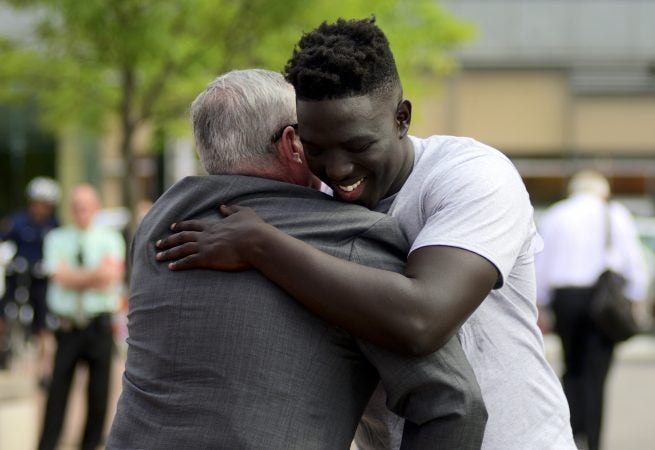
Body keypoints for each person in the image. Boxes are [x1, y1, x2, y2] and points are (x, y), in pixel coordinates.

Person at [156, 18, 576, 449]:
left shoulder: (472, 176)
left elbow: (422, 320)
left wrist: (260, 244)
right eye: (317, 149)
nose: (338, 170)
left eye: (358, 147)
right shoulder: (314, 202)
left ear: (401, 118)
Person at [108, 69, 485, 450]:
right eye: (314, 137)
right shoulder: (348, 235)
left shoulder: (157, 226)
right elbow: (453, 402)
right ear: (293, 142)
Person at [535, 170, 649, 450]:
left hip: (565, 299)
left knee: (571, 368)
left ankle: (569, 436)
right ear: (603, 191)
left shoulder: (556, 214)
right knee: (596, 374)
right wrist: (635, 299)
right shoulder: (613, 213)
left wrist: (541, 303)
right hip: (602, 302)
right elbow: (634, 262)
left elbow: (541, 263)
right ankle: (594, 441)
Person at [38, 184, 125, 450]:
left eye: (85, 205)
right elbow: (58, 276)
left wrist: (72, 277)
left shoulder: (111, 239)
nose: (80, 210)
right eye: (76, 205)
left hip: (98, 326)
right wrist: (93, 276)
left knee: (99, 396)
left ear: (95, 207)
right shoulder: (56, 238)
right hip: (68, 327)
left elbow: (110, 277)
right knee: (57, 395)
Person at [0, 176, 60, 377]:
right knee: (3, 309)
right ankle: (3, 350)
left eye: (45, 204)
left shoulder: (54, 225)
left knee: (44, 320)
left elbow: (59, 251)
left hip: (40, 278)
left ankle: (43, 368)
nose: (40, 208)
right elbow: (4, 241)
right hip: (17, 273)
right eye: (37, 203)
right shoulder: (17, 221)